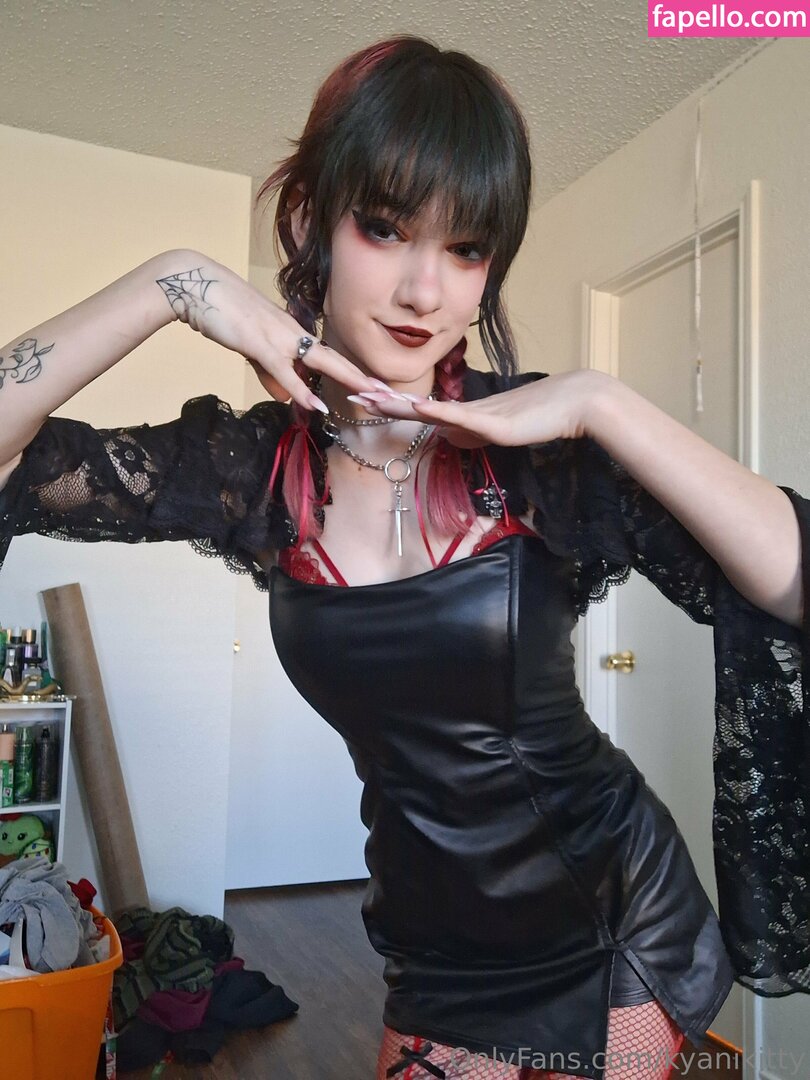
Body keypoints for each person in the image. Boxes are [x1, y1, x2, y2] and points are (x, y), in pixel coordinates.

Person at [0, 35, 807, 1080]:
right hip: (434, 948)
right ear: (311, 223)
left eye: (466, 249)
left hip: (612, 919)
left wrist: (603, 402)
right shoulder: (251, 470)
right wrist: (172, 282)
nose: (425, 289)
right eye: (384, 228)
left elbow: (794, 581)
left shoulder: (543, 454)